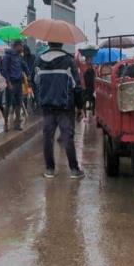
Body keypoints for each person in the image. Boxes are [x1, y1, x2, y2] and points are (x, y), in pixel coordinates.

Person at [35, 42, 86, 179]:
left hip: (47, 105)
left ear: (49, 44)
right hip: (65, 106)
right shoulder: (68, 60)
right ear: (62, 44)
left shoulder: (39, 59)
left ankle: (49, 169)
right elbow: (77, 86)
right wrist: (80, 107)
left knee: (48, 137)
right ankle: (74, 170)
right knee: (67, 138)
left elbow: (36, 82)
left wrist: (40, 101)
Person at [1, 40, 30, 130]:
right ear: (16, 46)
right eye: (21, 46)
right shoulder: (7, 56)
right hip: (11, 83)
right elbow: (4, 70)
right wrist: (8, 82)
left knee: (18, 103)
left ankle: (17, 123)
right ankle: (6, 123)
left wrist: (29, 75)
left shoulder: (19, 57)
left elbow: (25, 67)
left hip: (19, 83)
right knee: (8, 104)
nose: (22, 48)